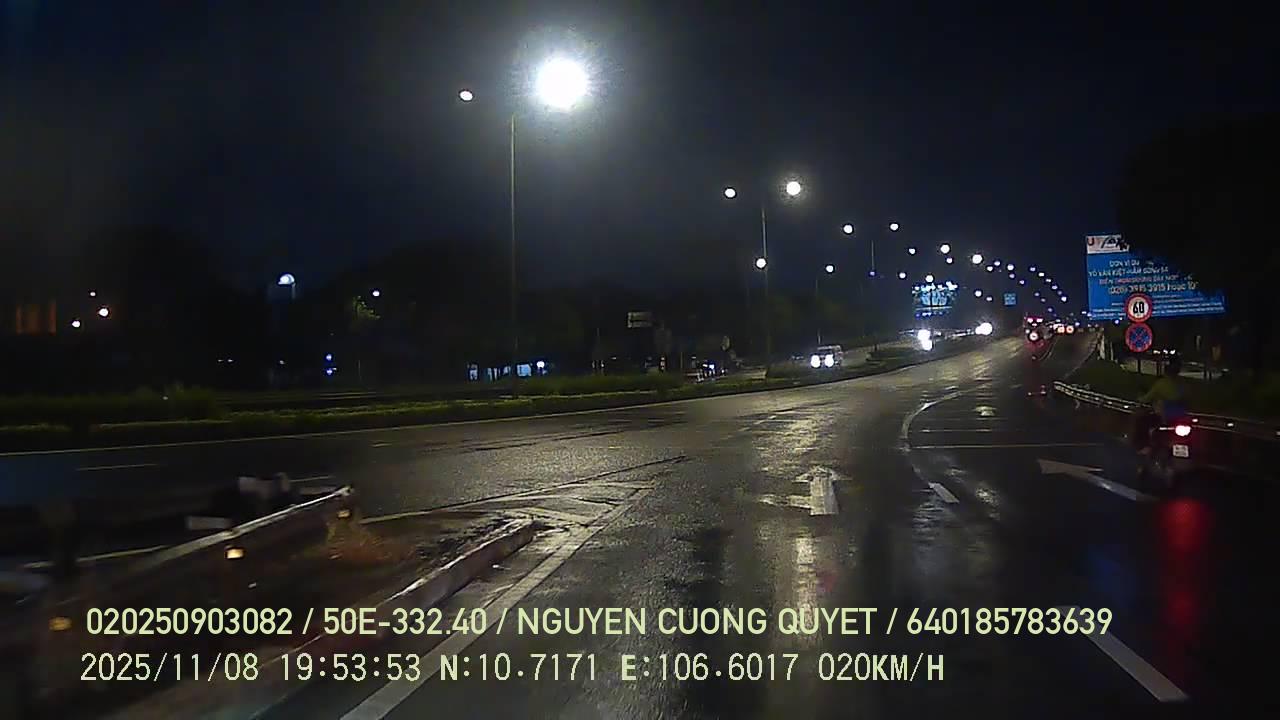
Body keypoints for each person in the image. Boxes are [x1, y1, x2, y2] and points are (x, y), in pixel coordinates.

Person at [1132, 357, 1187, 452]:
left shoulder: (1161, 383)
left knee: (1141, 422)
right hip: (1181, 416)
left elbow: (1146, 399)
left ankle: (1144, 446)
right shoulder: (1182, 384)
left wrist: (1139, 399)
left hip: (1164, 417)